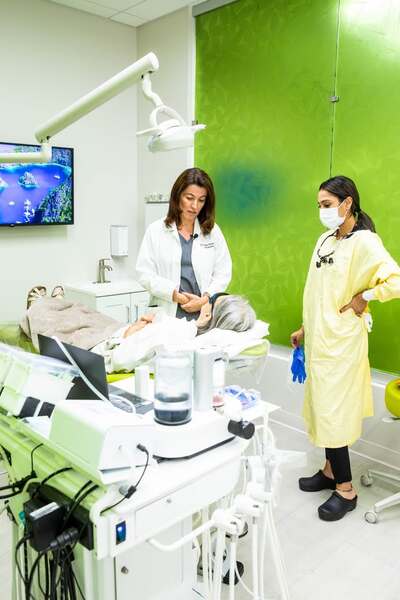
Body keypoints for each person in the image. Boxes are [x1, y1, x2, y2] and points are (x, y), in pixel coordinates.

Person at [290, 175, 400, 522]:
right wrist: (305, 328)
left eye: (327, 204)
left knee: (333, 413)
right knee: (323, 408)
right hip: (320, 340)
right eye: (319, 205)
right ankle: (328, 471)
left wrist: (364, 297)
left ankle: (346, 490)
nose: (322, 211)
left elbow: (396, 280)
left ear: (347, 203)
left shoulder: (364, 242)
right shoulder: (325, 240)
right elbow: (318, 292)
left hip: (342, 344)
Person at [20, 288, 256, 372]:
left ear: (209, 315)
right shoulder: (189, 331)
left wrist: (131, 332)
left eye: (211, 301)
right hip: (121, 330)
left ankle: (40, 304)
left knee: (59, 319)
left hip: (107, 342)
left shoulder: (182, 337)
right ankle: (57, 302)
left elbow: (123, 356)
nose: (206, 300)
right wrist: (149, 322)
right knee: (82, 310)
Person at [136, 168, 232, 320]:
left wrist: (205, 299)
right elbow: (144, 274)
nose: (195, 206)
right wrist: (174, 294)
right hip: (167, 312)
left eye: (201, 200)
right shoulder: (156, 230)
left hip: (203, 313)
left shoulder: (212, 231)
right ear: (178, 196)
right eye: (189, 198)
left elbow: (223, 272)